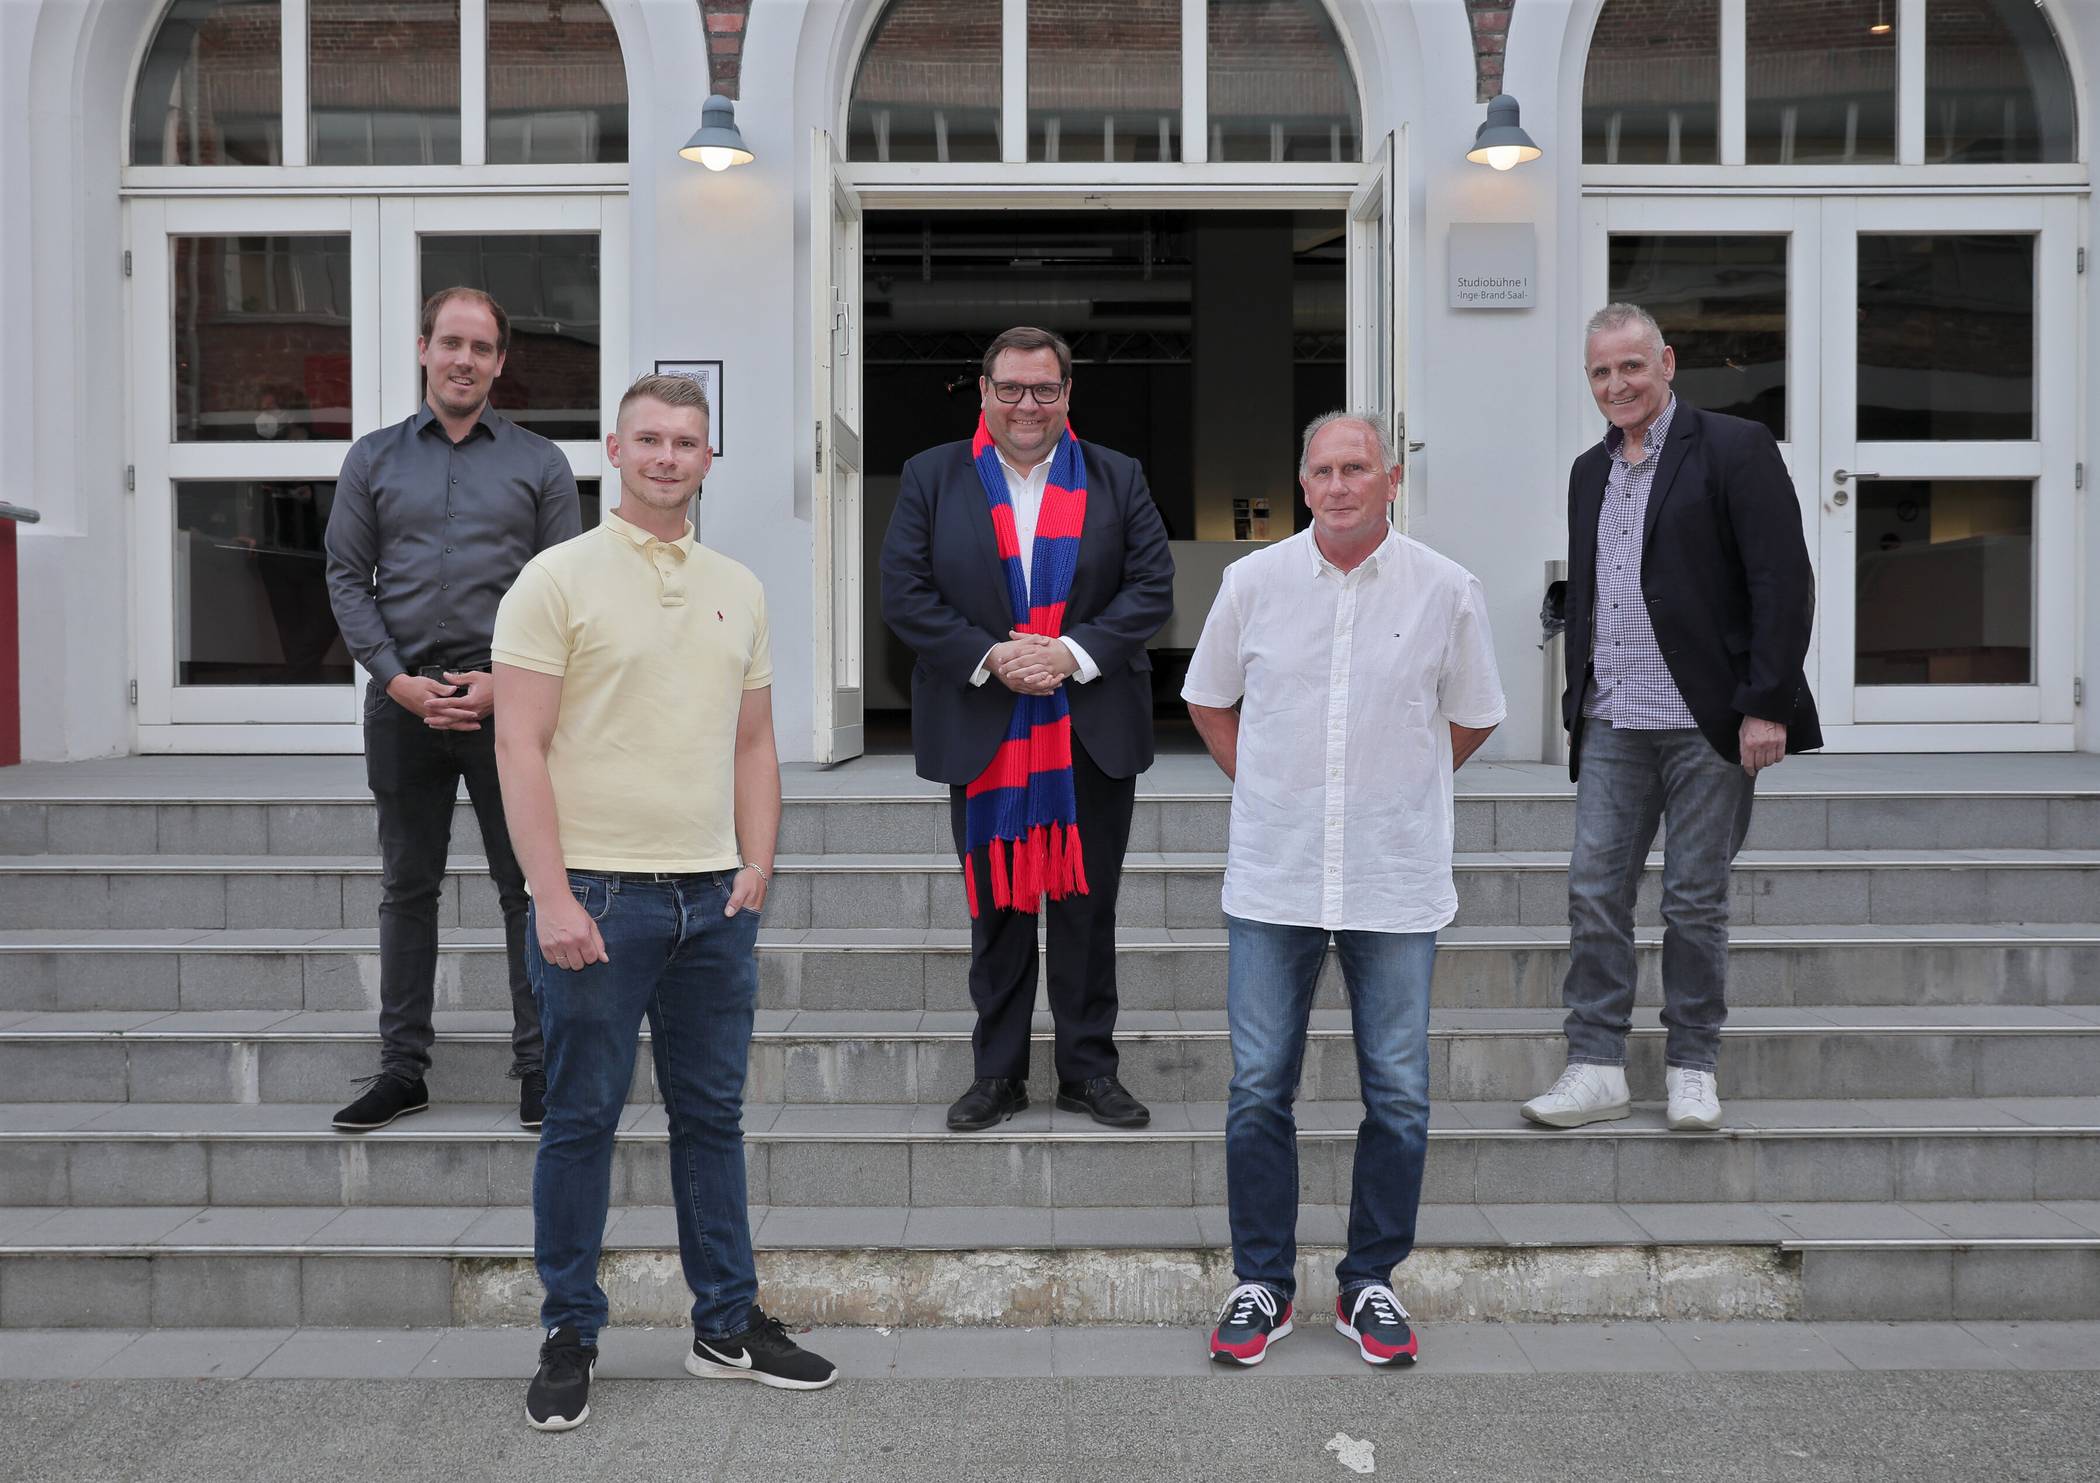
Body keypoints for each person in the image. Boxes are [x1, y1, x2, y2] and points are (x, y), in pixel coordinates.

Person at [494, 373, 836, 1432]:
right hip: (595, 896)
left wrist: (758, 863)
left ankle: (726, 1323)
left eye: (687, 441)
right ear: (614, 448)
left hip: (712, 901)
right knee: (582, 1121)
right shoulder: (555, 580)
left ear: (707, 459)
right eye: (650, 438)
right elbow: (518, 743)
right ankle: (568, 1331)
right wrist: (549, 894)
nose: (668, 456)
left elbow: (751, 742)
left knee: (712, 1121)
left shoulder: (740, 583)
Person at [1185, 412, 1505, 1369]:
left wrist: (1391, 789)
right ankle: (1263, 1284)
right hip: (1277, 874)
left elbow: (1477, 715)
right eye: (1321, 469)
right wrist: (1277, 786)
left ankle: (1370, 1281)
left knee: (1399, 1095)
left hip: (1393, 877)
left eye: (1355, 468)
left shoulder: (1446, 588)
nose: (1337, 485)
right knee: (1256, 1090)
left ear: (1391, 477)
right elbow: (1207, 698)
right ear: (1303, 479)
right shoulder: (1253, 583)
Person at [1521, 302, 1819, 1134]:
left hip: (1709, 720)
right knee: (1594, 892)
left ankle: (1692, 1064)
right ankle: (1595, 1064)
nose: (1616, 384)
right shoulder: (1591, 470)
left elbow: (1782, 581)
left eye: (1631, 367)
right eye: (1600, 373)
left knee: (1694, 897)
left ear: (1668, 363)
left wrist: (1767, 703)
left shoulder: (1734, 448)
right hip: (1614, 720)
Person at [879, 326, 1174, 1132]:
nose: (1027, 405)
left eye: (1044, 389)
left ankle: (1088, 1071)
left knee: (1087, 904)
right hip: (984, 722)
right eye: (1010, 388)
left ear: (1067, 394)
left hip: (1090, 724)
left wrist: (1070, 654)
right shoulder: (932, 476)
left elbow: (1152, 587)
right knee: (998, 911)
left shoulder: (1119, 476)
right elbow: (904, 593)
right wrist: (992, 655)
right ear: (983, 391)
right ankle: (997, 1074)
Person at [324, 287, 579, 1132]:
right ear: (425, 348)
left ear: (501, 361)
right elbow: (344, 580)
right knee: (407, 888)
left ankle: (541, 1068)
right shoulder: (372, 460)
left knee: (527, 884)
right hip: (403, 704)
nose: (465, 359)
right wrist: (397, 680)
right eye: (452, 343)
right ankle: (403, 1070)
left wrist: (507, 683)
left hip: (510, 705)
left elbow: (564, 593)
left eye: (482, 347)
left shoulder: (540, 464)